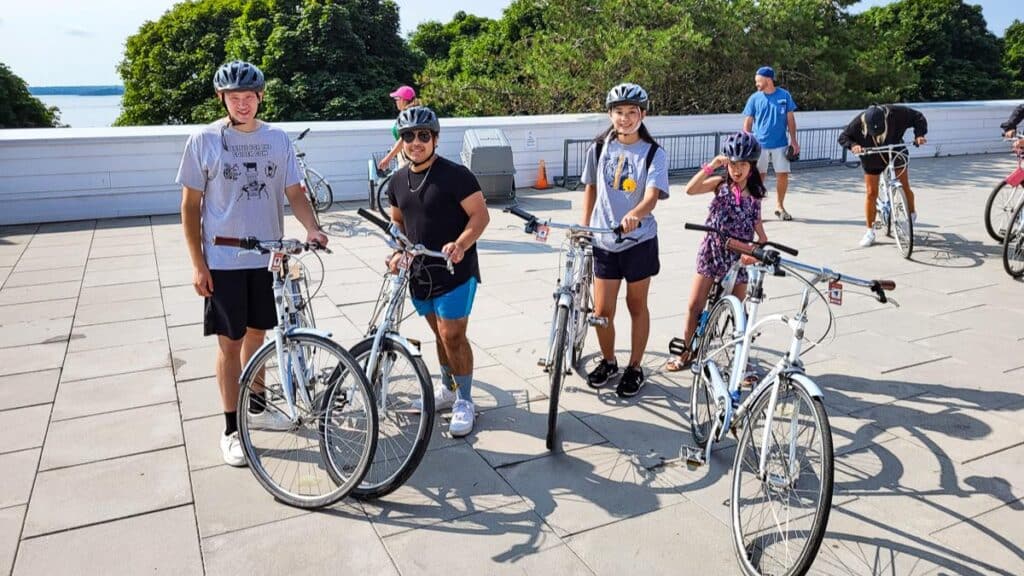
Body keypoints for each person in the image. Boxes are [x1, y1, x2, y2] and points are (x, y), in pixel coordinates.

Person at [176, 60, 329, 467]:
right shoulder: (204, 140)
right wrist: (198, 264)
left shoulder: (278, 139)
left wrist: (312, 227)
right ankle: (231, 428)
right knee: (229, 344)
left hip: (269, 257)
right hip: (224, 260)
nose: (242, 104)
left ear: (261, 97)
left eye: (249, 97)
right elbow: (190, 207)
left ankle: (257, 408)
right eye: (234, 97)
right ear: (221, 98)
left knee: (258, 337)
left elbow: (294, 191)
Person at [385, 106, 490, 437]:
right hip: (421, 272)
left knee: (453, 334)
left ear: (435, 138)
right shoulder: (398, 180)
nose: (415, 142)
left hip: (455, 269)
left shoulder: (457, 175)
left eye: (423, 135)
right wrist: (397, 251)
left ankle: (466, 401)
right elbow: (398, 222)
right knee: (438, 334)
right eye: (408, 136)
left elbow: (480, 216)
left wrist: (460, 244)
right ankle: (447, 389)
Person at [580, 83, 669, 398]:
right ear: (610, 114)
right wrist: (586, 224)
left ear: (643, 115)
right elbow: (590, 186)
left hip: (639, 240)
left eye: (632, 112)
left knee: (636, 304)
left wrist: (636, 214)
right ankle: (608, 361)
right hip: (604, 239)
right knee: (602, 311)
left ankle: (634, 366)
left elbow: (652, 195)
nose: (625, 118)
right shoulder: (599, 146)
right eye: (619, 112)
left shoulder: (654, 153)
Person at [666, 132, 768, 371]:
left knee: (738, 312)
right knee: (694, 305)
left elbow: (761, 234)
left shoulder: (755, 195)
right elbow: (690, 189)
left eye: (743, 164)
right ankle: (687, 352)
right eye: (733, 164)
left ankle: (740, 360)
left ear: (752, 166)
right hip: (711, 252)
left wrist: (754, 254)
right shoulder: (720, 185)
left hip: (738, 258)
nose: (737, 169)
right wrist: (712, 165)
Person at [838, 104, 928, 248]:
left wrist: (919, 135)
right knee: (871, 193)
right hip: (872, 155)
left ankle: (911, 216)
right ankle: (870, 231)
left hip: (895, 150)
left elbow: (918, 117)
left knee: (904, 185)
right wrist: (853, 145)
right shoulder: (859, 121)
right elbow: (843, 137)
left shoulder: (896, 113)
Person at [742, 66, 799, 221]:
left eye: (758, 80)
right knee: (758, 177)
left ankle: (780, 207)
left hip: (781, 144)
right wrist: (747, 141)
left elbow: (791, 119)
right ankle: (756, 210)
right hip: (759, 145)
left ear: (768, 79)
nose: (756, 84)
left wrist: (793, 141)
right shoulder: (754, 98)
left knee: (783, 175)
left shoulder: (784, 96)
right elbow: (748, 121)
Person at [378, 85, 418, 171]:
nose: (395, 102)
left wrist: (388, 158)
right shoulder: (408, 114)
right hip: (404, 156)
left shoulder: (408, 115)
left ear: (403, 100)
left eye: (397, 99)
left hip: (408, 158)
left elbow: (404, 138)